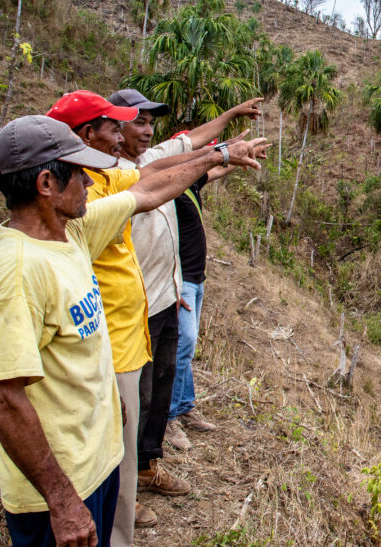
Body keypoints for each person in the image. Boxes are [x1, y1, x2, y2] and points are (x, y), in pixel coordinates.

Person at [0, 115, 264, 547]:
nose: (91, 183)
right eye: (78, 173)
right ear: (46, 185)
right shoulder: (16, 272)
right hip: (60, 490)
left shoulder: (72, 232)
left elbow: (146, 191)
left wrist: (220, 154)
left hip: (99, 463)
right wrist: (62, 501)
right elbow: (4, 399)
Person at [104, 89, 263, 501]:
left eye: (150, 122)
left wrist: (228, 119)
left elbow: (191, 143)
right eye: (138, 121)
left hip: (165, 299)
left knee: (158, 390)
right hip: (128, 310)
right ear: (113, 126)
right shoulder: (110, 176)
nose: (147, 129)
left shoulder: (149, 158)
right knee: (130, 402)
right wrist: (219, 156)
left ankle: (145, 468)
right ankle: (122, 491)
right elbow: (184, 162)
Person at [164, 133, 232, 451]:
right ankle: (168, 418)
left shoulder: (190, 184)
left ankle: (185, 405)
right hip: (181, 281)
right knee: (182, 344)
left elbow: (215, 170)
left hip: (197, 277)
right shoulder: (169, 189)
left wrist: (237, 159)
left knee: (187, 347)